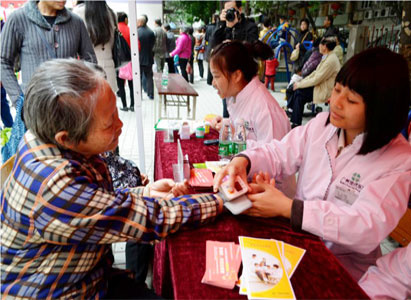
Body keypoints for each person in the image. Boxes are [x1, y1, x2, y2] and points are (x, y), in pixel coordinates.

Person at [0, 58, 224, 299]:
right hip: (62, 291)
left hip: (87, 274)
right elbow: (150, 219)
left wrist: (144, 193)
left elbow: (95, 201)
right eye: (109, 124)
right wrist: (222, 200)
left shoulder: (44, 135)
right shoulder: (53, 185)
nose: (120, 125)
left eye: (117, 113)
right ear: (65, 138)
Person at [214, 47, 411, 282]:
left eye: (351, 100)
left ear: (381, 109)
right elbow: (279, 151)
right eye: (337, 90)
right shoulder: (322, 126)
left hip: (342, 270)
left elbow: (365, 227)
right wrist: (244, 161)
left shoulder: (399, 160)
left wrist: (290, 209)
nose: (335, 103)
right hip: (296, 245)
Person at [210, 41, 295, 198]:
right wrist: (228, 125)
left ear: (236, 75)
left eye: (216, 77)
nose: (213, 83)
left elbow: (275, 159)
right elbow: (246, 132)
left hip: (271, 196)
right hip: (247, 183)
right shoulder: (238, 96)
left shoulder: (265, 108)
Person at [0, 0, 96, 107]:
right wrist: (19, 101)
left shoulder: (76, 22)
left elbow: (90, 60)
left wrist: (85, 97)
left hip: (70, 108)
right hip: (33, 109)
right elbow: (3, 61)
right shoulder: (18, 19)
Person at [210, 0, 258, 118]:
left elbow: (249, 49)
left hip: (243, 77)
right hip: (226, 76)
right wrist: (222, 25)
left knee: (244, 113)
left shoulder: (250, 27)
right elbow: (213, 45)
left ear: (240, 10)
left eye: (232, 9)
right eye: (227, 11)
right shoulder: (223, 25)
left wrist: (236, 27)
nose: (229, 13)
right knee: (227, 111)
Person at [288, 36, 341, 127]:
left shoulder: (330, 60)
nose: (318, 47)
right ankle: (294, 118)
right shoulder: (327, 56)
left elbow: (317, 79)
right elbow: (316, 73)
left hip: (325, 90)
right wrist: (301, 82)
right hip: (320, 85)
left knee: (299, 93)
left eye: (320, 44)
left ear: (324, 46)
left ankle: (295, 122)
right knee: (295, 90)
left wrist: (300, 84)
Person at [73, 1, 117, 94]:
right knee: (108, 105)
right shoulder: (111, 13)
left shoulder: (78, 12)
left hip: (87, 68)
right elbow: (112, 43)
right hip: (109, 69)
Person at [116, 12, 135, 112]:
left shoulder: (114, 30)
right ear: (125, 19)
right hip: (131, 61)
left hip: (118, 62)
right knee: (132, 85)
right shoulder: (130, 30)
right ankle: (132, 105)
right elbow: (138, 46)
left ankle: (124, 105)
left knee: (120, 85)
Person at [137, 15, 155, 100]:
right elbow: (153, 45)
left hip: (139, 58)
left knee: (138, 77)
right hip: (149, 57)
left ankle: (139, 95)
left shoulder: (136, 32)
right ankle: (150, 94)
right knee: (149, 76)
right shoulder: (151, 32)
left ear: (140, 22)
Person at [205, 13, 219, 85]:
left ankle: (209, 80)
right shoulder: (220, 27)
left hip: (210, 46)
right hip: (218, 46)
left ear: (213, 19)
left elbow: (206, 38)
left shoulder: (209, 27)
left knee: (210, 63)